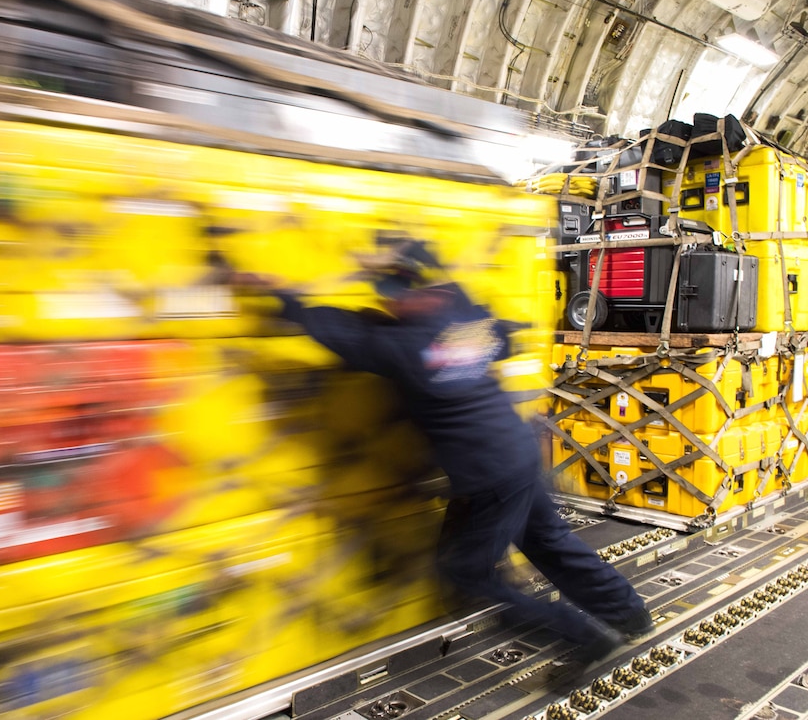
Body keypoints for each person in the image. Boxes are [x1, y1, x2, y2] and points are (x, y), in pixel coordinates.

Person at [233, 240, 653, 678]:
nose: (389, 304)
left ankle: (585, 638)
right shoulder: (464, 320)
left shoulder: (404, 346)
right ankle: (629, 614)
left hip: (490, 474)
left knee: (466, 574)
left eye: (392, 295)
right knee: (549, 542)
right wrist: (401, 261)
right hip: (518, 453)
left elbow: (332, 328)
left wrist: (275, 292)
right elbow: (499, 329)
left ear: (412, 295)